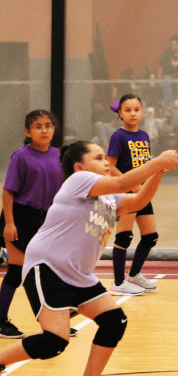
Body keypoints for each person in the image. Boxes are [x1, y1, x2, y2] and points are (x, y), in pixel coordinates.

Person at [0, 140, 178, 375]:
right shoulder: (78, 181)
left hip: (79, 275)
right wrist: (158, 161)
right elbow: (125, 182)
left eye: (105, 158)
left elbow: (139, 201)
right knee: (54, 341)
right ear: (78, 167)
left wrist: (159, 171)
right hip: (48, 268)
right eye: (98, 158)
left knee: (115, 321)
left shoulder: (108, 200)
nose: (106, 163)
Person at [0, 110, 77, 339]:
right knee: (17, 271)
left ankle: (53, 321)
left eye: (48, 126)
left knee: (47, 271)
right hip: (19, 218)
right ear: (28, 131)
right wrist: (10, 224)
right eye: (38, 127)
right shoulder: (21, 156)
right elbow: (8, 192)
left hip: (47, 219)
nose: (44, 130)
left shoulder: (60, 155)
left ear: (54, 129)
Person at [107, 94, 161, 296]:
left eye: (136, 109)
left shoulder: (144, 136)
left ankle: (134, 275)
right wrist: (130, 185)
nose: (132, 113)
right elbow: (110, 167)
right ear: (120, 113)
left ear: (142, 112)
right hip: (126, 195)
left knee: (150, 237)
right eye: (127, 110)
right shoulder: (118, 136)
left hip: (142, 193)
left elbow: (144, 166)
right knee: (124, 237)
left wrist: (146, 184)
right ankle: (118, 283)